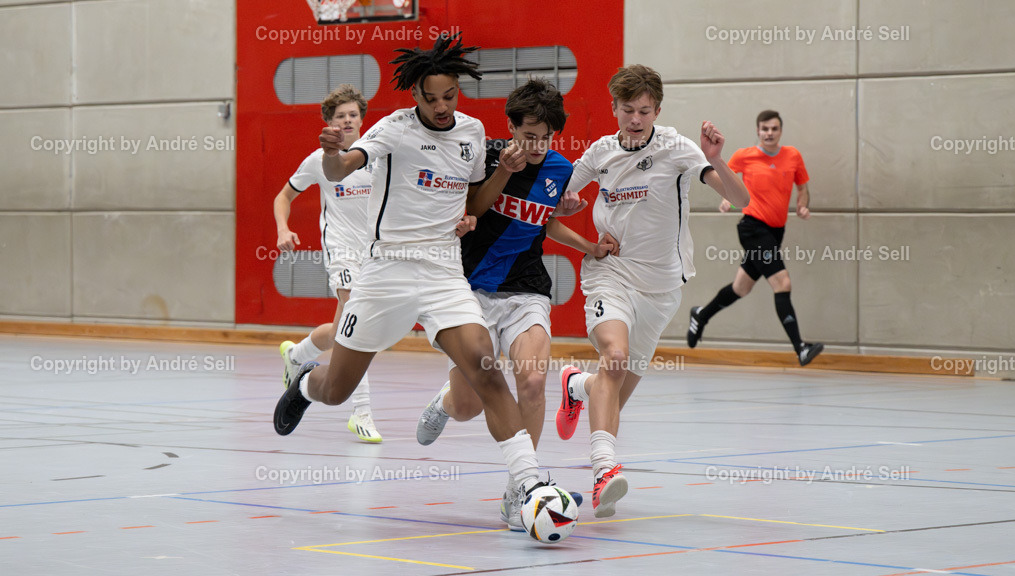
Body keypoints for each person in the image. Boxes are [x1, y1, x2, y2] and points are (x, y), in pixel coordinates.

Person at [272, 34, 562, 530]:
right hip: (386, 271)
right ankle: (305, 381)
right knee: (338, 389)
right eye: (432, 98)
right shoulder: (392, 129)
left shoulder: (471, 134)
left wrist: (504, 173)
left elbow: (473, 204)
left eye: (450, 95)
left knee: (486, 370)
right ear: (416, 96)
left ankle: (530, 483)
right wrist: (330, 155)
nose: (442, 106)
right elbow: (343, 167)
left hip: (444, 271)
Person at [413, 78, 616, 527]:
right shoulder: (486, 158)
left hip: (526, 289)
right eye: (529, 136)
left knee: (530, 381)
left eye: (545, 138)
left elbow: (542, 224)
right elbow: (476, 208)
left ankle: (519, 492)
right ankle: (445, 403)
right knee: (469, 404)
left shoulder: (559, 169)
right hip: (471, 291)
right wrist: (504, 170)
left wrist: (588, 245)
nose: (538, 146)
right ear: (510, 128)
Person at [554, 65, 749, 518]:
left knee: (611, 394)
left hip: (662, 290)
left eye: (644, 111)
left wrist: (717, 158)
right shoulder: (600, 152)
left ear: (657, 110)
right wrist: (567, 205)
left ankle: (576, 385)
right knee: (615, 361)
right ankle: (605, 473)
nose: (636, 118)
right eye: (627, 110)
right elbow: (554, 202)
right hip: (611, 273)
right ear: (614, 108)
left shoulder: (678, 150)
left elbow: (741, 201)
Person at [272, 84, 382, 443]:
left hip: (376, 255)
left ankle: (298, 353)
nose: (347, 120)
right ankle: (361, 411)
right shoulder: (318, 160)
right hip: (342, 251)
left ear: (362, 119)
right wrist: (283, 229)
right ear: (329, 123)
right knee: (357, 323)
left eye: (353, 114)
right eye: (340, 116)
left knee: (340, 334)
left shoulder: (379, 156)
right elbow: (283, 196)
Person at [686, 110, 824, 367]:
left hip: (775, 232)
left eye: (774, 129)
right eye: (764, 129)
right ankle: (800, 348)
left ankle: (701, 315)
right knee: (782, 283)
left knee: (741, 287)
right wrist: (726, 198)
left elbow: (802, 188)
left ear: (780, 131)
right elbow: (727, 179)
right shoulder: (744, 156)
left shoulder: (792, 155)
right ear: (758, 131)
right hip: (752, 227)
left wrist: (802, 205)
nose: (769, 133)